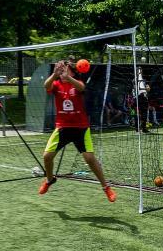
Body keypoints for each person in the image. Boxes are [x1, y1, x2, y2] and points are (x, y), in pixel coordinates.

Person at [38, 60, 116, 202]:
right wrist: (55, 74)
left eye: (64, 69)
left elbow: (81, 87)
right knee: (47, 156)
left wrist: (68, 78)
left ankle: (106, 187)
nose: (62, 72)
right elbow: (46, 86)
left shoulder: (77, 82)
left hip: (80, 128)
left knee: (89, 159)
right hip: (62, 127)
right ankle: (49, 180)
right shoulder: (56, 84)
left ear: (72, 71)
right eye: (60, 69)